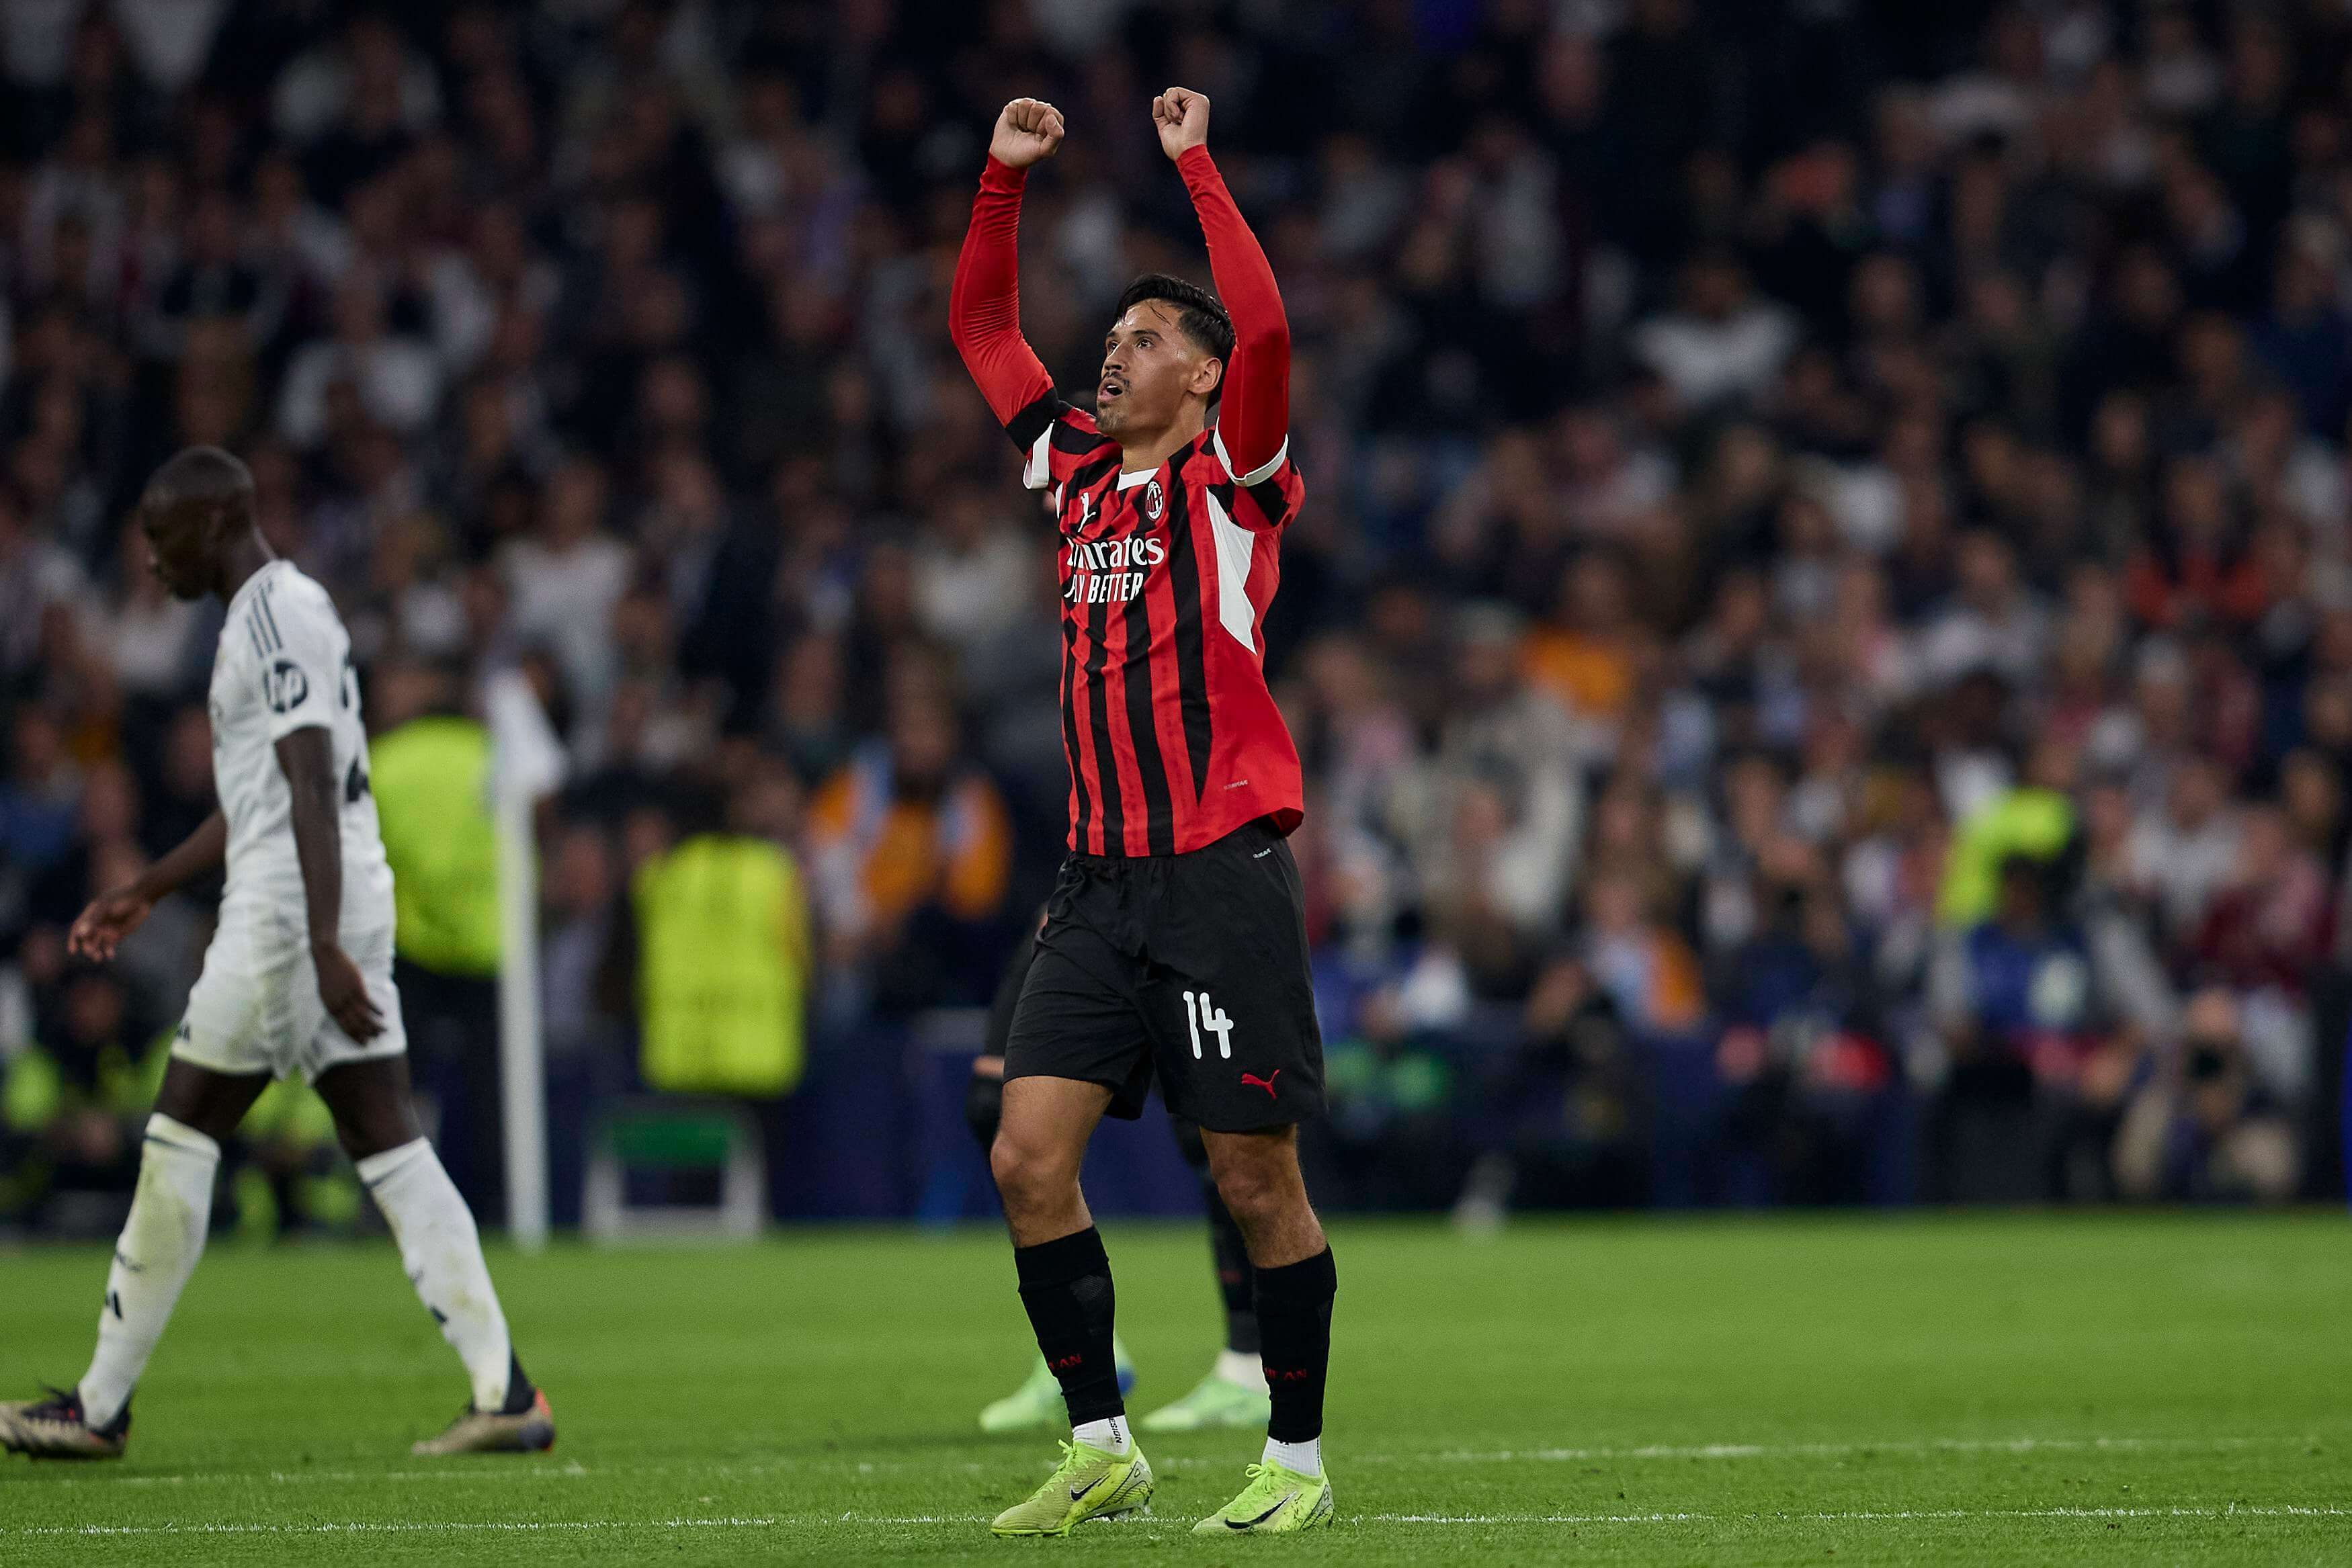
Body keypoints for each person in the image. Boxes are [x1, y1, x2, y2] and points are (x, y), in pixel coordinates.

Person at [950, 89, 1335, 1538]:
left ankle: (1293, 1459)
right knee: (1023, 1154)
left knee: (1252, 1180)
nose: (1115, 352)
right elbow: (987, 335)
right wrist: (1001, 184)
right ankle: (1100, 1439)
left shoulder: (1239, 484)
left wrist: (1195, 163)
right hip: (1098, 882)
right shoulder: (1073, 478)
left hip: (1216, 876)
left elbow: (1271, 329)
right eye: (1111, 339)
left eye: (1148, 340)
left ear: (1205, 381)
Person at [0, 447, 551, 1461]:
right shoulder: (287, 608)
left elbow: (308, 780)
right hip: (313, 897)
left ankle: (99, 1404)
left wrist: (326, 943)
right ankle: (505, 1388)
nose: (155, 567)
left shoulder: (269, 614)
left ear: (213, 524)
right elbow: (262, 795)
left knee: (180, 1130)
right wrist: (149, 886)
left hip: (291, 913)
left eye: (164, 543)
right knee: (387, 1137)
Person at [966, 916, 1271, 1437]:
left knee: (1219, 1130)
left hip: (1189, 889)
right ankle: (1078, 1347)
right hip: (1091, 883)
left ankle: (1250, 1365)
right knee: (996, 1102)